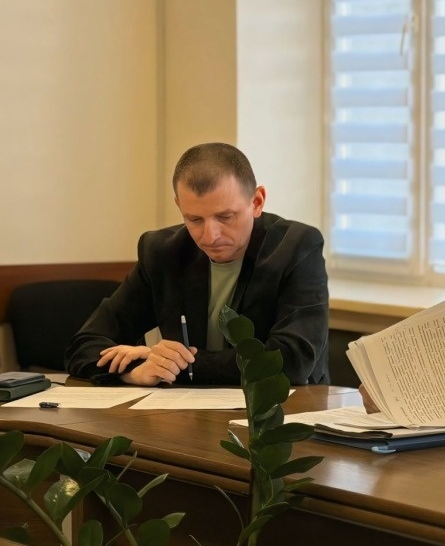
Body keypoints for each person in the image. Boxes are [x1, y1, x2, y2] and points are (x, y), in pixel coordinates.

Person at [66, 143, 330, 386]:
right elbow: (85, 345)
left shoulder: (297, 247)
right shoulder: (162, 252)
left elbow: (291, 361)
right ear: (179, 205)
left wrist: (176, 365)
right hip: (187, 413)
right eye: (194, 219)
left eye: (225, 217)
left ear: (257, 201)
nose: (210, 236)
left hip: (285, 411)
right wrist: (135, 370)